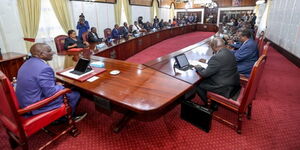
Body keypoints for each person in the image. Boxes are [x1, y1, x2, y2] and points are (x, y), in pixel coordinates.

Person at [16, 43, 87, 121]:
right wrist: (61, 86)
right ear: (41, 54)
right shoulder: (44, 69)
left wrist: (55, 85)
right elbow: (50, 92)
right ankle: (66, 118)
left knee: (65, 88)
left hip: (25, 102)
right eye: (49, 51)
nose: (53, 52)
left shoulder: (26, 63)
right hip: (35, 106)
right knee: (75, 94)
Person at [194, 37, 240, 108]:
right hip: (233, 81)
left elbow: (205, 74)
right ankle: (212, 101)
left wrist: (198, 67)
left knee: (198, 84)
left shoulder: (217, 57)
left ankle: (211, 106)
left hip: (225, 87)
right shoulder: (229, 52)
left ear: (214, 47)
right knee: (206, 79)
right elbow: (219, 63)